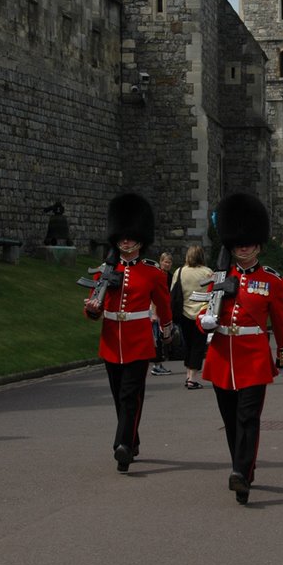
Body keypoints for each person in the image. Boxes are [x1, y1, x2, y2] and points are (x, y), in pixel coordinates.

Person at [198, 192, 283, 505]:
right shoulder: (220, 276)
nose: (244, 247)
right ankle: (243, 468)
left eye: (249, 242)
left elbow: (279, 322)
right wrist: (206, 320)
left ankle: (240, 470)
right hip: (223, 356)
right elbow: (205, 312)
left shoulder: (271, 280)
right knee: (231, 419)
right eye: (239, 243)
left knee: (248, 418)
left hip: (253, 356)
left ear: (258, 244)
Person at [83, 192, 172, 473]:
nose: (126, 241)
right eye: (122, 237)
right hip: (111, 339)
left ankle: (121, 445)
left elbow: (164, 304)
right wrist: (92, 309)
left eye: (130, 237)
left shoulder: (153, 272)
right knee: (118, 395)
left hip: (137, 338)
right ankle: (132, 440)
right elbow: (92, 308)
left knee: (129, 395)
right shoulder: (105, 271)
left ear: (140, 240)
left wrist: (167, 329)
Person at [171, 245, 213, 389]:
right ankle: (192, 378)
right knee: (198, 346)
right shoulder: (208, 272)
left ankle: (188, 373)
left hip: (184, 312)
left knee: (188, 344)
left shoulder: (180, 271)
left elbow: (173, 291)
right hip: (202, 313)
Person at [151, 250, 174, 375]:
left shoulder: (170, 276)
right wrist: (154, 313)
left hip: (165, 310)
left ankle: (159, 363)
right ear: (161, 262)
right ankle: (157, 364)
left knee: (165, 336)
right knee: (157, 338)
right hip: (156, 310)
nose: (167, 264)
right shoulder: (157, 275)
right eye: (165, 262)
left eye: (169, 262)